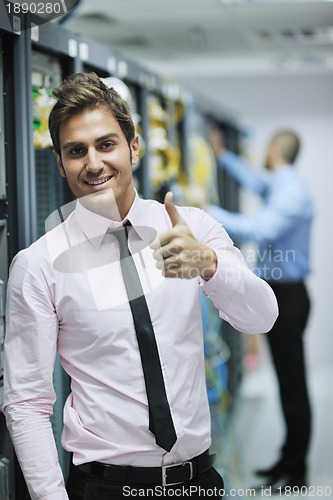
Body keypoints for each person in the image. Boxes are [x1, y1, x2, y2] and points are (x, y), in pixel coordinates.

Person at [2, 73, 278, 500]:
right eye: (76, 151)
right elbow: (27, 402)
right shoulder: (38, 265)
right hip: (103, 487)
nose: (93, 163)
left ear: (134, 147)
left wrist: (209, 264)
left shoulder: (190, 227)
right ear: (59, 162)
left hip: (198, 483)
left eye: (106, 144)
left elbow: (262, 316)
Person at [208, 127, 314, 492]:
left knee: (293, 386)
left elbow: (260, 228)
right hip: (282, 293)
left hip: (289, 296)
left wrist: (207, 212)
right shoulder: (282, 186)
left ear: (272, 150)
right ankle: (287, 461)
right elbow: (256, 183)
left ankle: (297, 472)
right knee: (288, 383)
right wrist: (224, 158)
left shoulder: (293, 193)